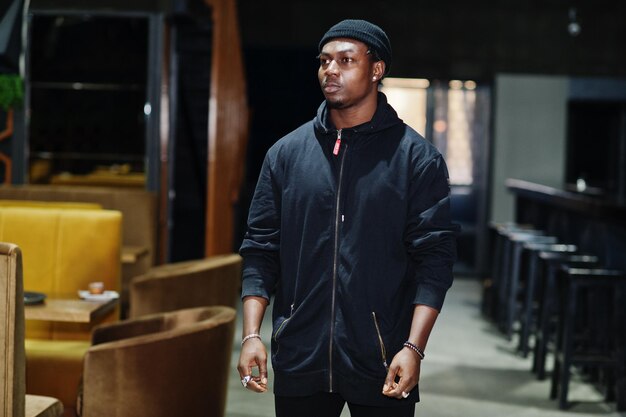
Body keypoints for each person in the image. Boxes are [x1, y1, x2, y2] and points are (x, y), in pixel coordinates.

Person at [237, 18, 458, 417]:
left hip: (382, 359)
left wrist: (413, 348)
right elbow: (260, 249)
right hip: (300, 355)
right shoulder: (286, 155)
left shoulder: (416, 160)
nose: (330, 70)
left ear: (377, 70)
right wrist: (252, 334)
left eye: (345, 60)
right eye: (324, 61)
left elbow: (435, 263)